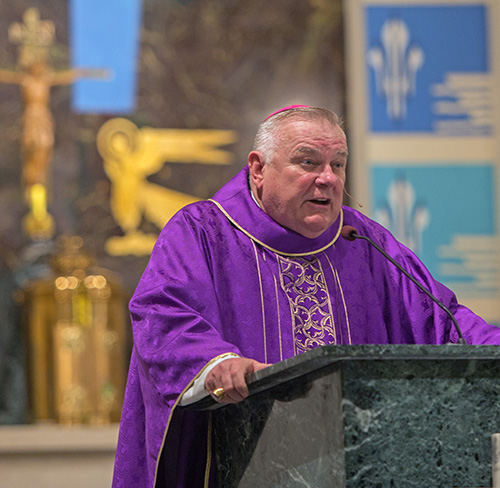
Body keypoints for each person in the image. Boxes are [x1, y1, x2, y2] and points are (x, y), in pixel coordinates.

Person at [112, 105, 500, 488]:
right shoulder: (203, 231)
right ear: (258, 168)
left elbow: (442, 319)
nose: (328, 178)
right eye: (308, 162)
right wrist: (217, 362)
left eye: (338, 164)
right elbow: (162, 312)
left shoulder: (364, 241)